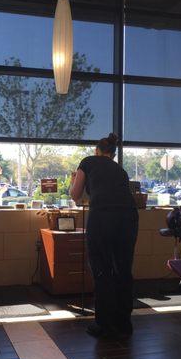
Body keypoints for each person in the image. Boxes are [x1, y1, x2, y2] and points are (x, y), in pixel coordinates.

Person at [70, 133, 139, 338]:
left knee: (101, 268)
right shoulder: (120, 169)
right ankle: (124, 323)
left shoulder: (88, 162)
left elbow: (75, 194)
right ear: (113, 154)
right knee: (123, 269)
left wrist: (74, 180)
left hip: (102, 217)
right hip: (128, 217)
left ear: (97, 151)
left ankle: (104, 324)